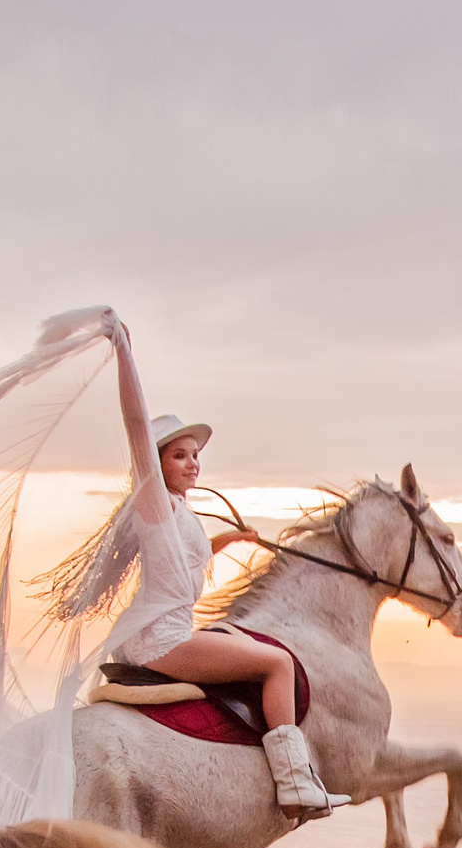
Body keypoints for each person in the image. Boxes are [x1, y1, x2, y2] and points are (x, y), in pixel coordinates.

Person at [100, 322, 350, 821]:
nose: (193, 464)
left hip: (157, 632)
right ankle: (295, 783)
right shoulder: (152, 498)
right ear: (155, 463)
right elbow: (134, 424)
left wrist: (231, 540)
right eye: (179, 455)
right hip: (162, 639)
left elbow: (180, 562)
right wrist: (124, 354)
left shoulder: (173, 509)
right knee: (275, 664)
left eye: (195, 456)